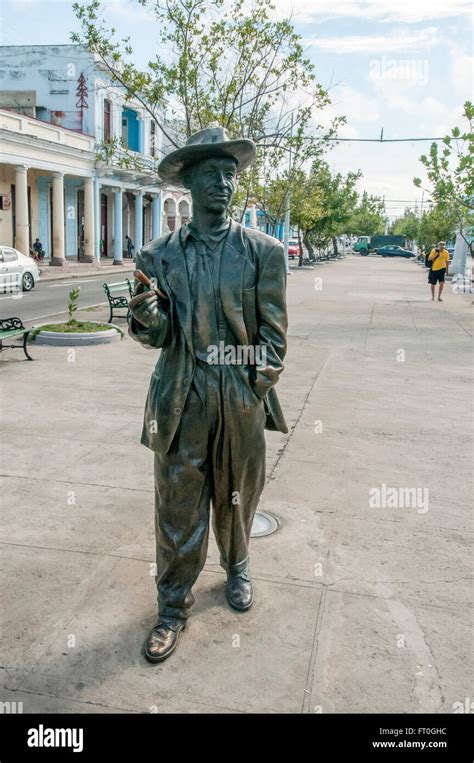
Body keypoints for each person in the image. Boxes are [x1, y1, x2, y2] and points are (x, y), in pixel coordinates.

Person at [128, 127, 288, 663]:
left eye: (230, 175)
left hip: (238, 395)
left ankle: (238, 567)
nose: (224, 183)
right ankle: (171, 606)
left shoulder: (263, 252)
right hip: (180, 396)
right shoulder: (158, 255)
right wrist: (146, 319)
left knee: (238, 495)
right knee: (176, 506)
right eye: (212, 174)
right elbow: (154, 335)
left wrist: (254, 386)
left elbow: (274, 336)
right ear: (191, 183)